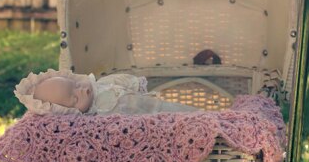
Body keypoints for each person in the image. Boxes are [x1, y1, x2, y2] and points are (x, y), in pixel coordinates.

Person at [14, 68, 198, 115]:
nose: (83, 91)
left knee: (178, 109)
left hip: (154, 105)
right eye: (75, 97)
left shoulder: (100, 85)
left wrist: (134, 85)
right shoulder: (99, 115)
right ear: (70, 112)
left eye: (77, 86)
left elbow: (121, 80)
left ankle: (211, 116)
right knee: (178, 117)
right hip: (152, 119)